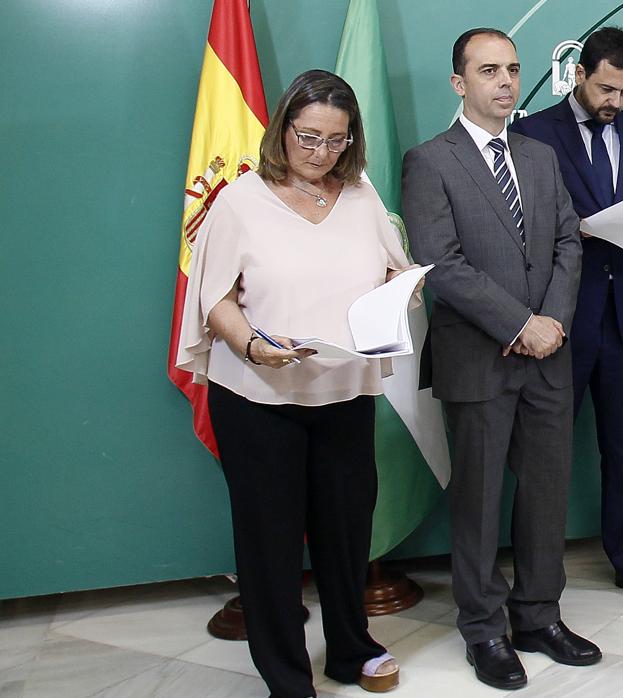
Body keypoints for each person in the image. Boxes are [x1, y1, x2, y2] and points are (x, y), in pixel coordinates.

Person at [176, 69, 415, 697]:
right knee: (270, 539)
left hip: (344, 388)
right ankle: (285, 672)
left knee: (345, 529)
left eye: (336, 141)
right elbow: (214, 299)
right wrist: (253, 343)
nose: (319, 153)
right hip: (259, 397)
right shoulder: (239, 199)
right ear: (282, 129)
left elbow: (395, 271)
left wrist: (404, 292)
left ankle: (350, 649)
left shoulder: (361, 196)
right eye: (307, 137)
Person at [400, 28, 596, 691]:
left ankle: (539, 615)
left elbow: (570, 240)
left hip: (549, 355)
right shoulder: (430, 161)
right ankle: (483, 628)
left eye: (512, 70)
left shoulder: (539, 155)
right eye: (489, 71)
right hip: (478, 357)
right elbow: (440, 264)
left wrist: (551, 324)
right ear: (460, 83)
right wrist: (518, 324)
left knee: (546, 494)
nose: (506, 82)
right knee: (480, 502)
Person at [510, 26, 623, 606]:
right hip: (559, 317)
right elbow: (516, 227)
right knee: (545, 451)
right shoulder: (532, 133)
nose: (615, 101)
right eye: (606, 88)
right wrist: (571, 230)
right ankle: (537, 576)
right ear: (578, 75)